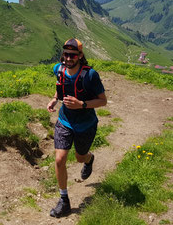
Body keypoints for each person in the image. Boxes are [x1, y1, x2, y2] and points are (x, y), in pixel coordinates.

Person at [46, 38, 107, 218]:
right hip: (65, 121)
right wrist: (55, 99)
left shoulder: (90, 75)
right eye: (66, 54)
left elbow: (102, 100)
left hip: (86, 124)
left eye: (73, 55)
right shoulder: (58, 69)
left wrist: (81, 104)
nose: (69, 58)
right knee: (60, 159)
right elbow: (61, 87)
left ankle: (89, 159)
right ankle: (64, 201)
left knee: (80, 158)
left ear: (80, 55)